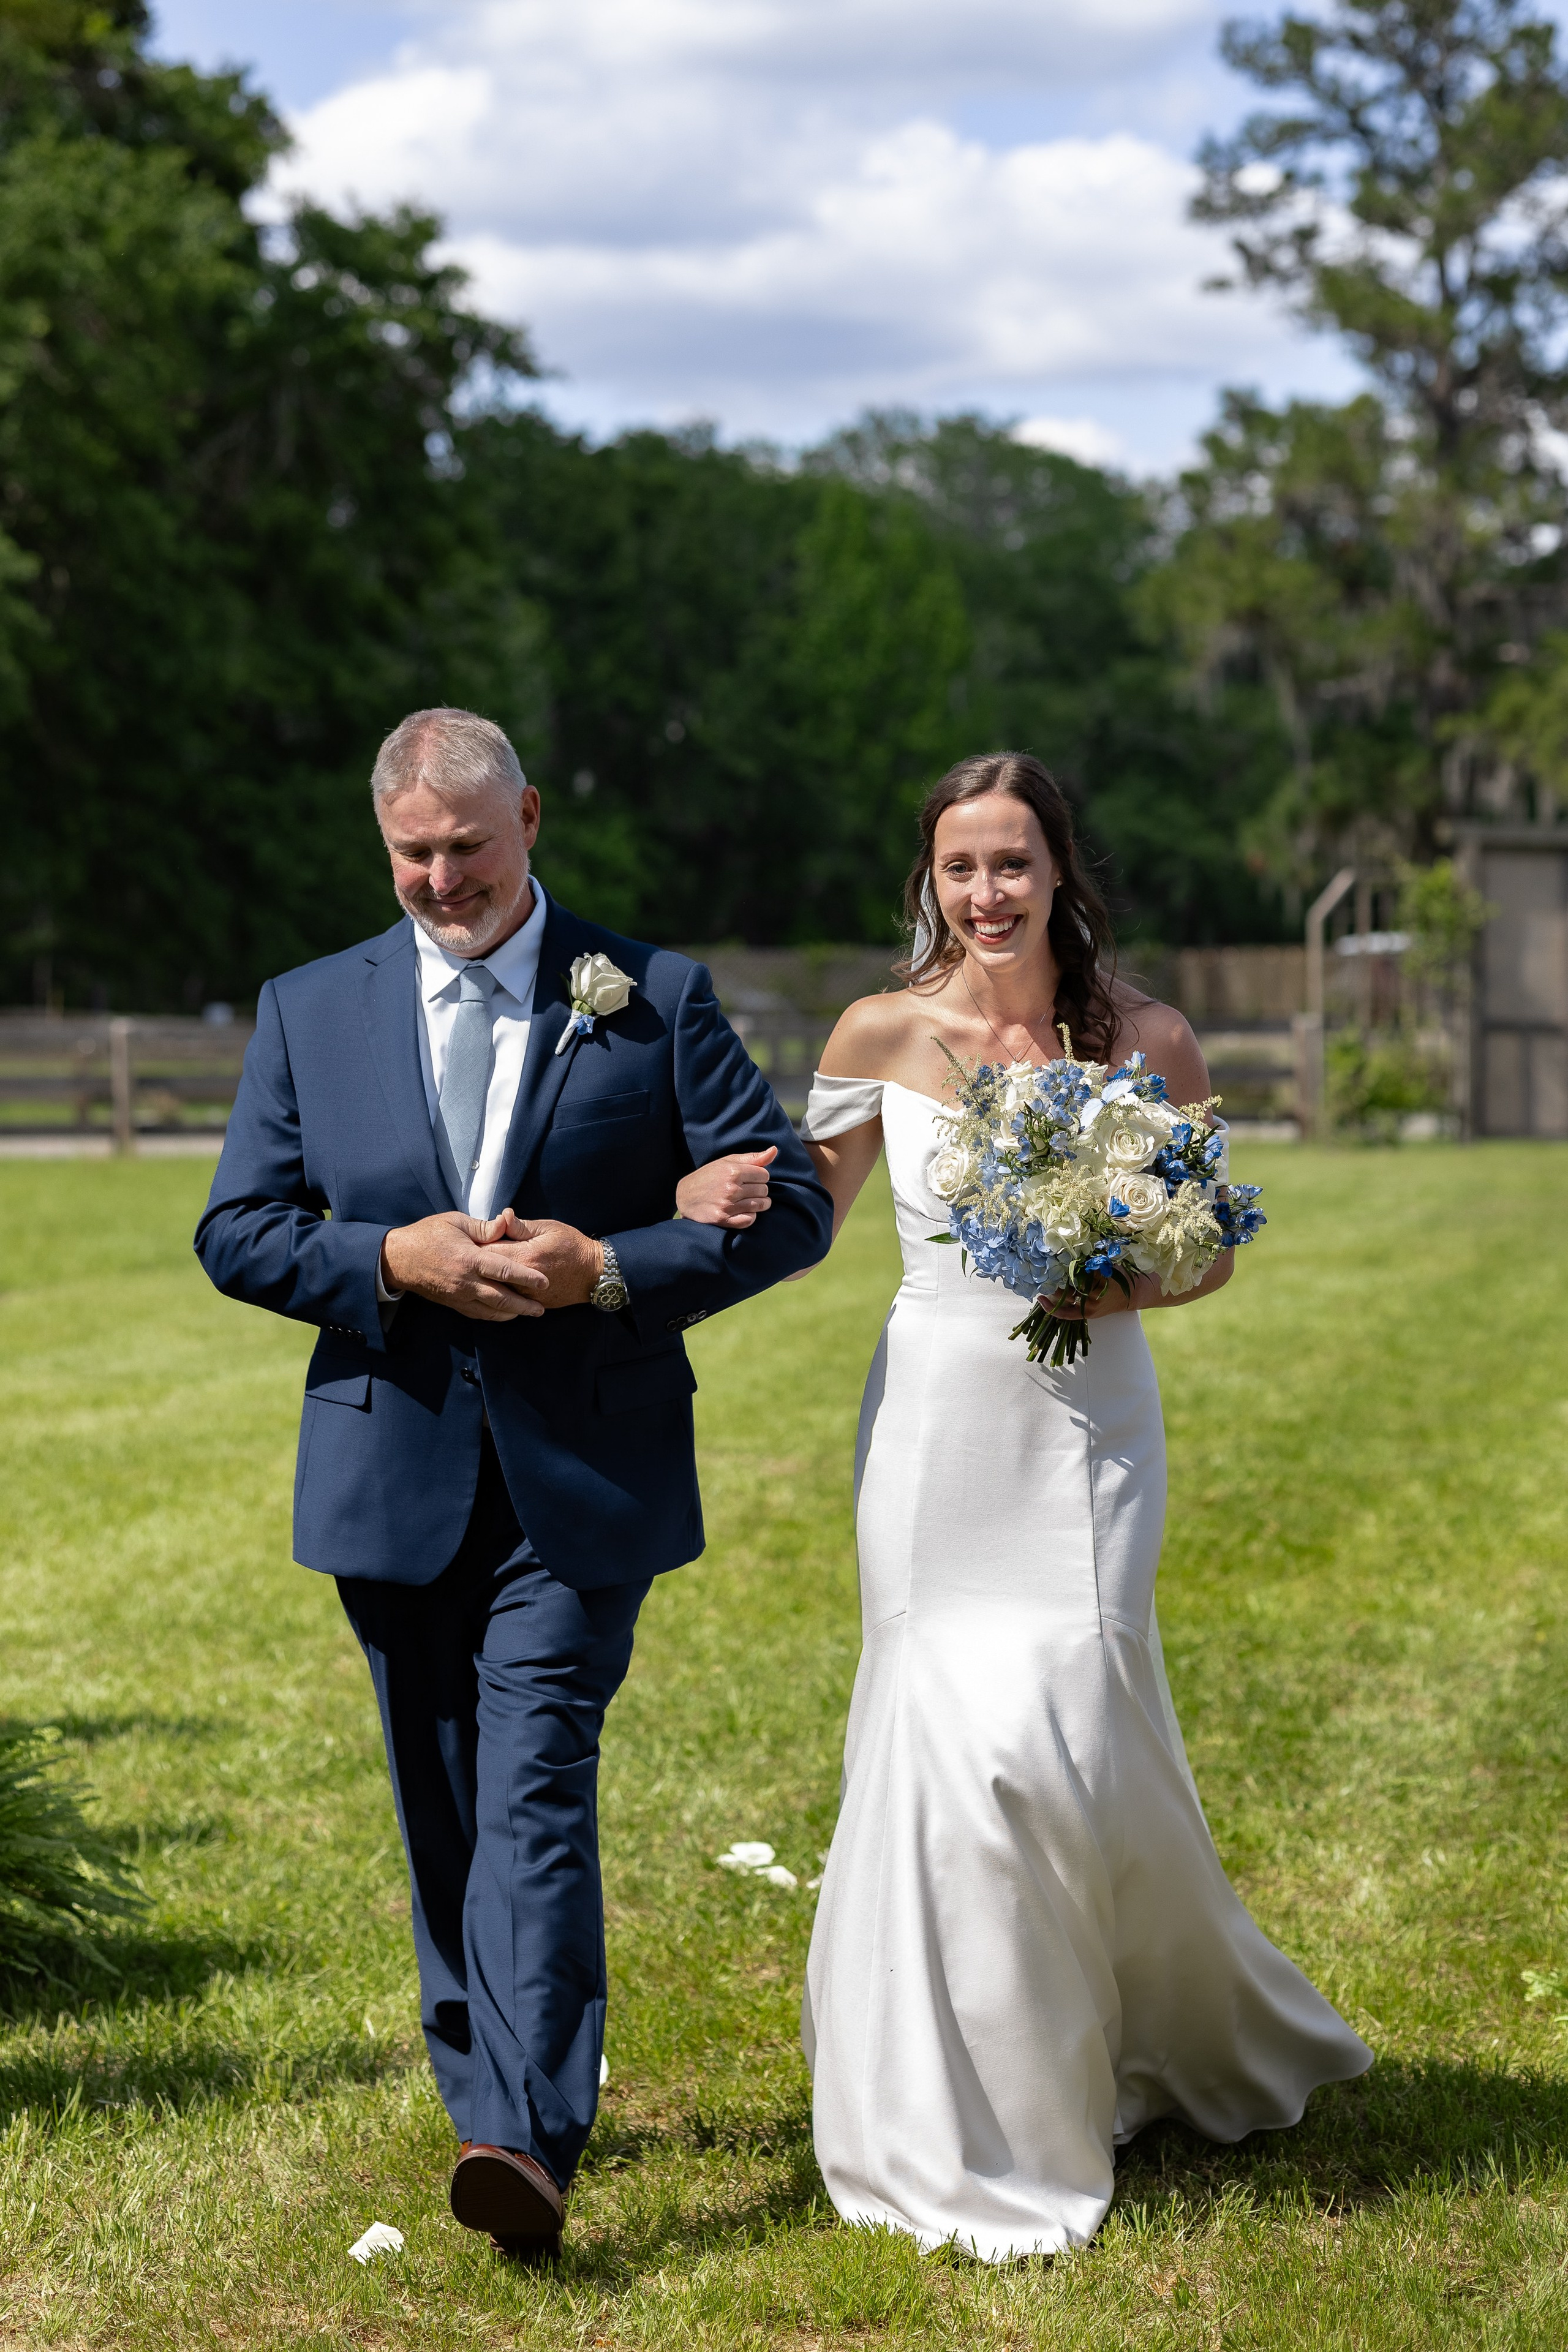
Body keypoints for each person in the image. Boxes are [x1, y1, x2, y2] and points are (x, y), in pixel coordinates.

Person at [194, 707, 831, 2263]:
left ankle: (522, 2139)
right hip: (388, 1461)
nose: (435, 878)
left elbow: (793, 1203)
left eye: (464, 846)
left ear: (529, 818)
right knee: (443, 1806)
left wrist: (609, 1268)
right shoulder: (306, 1008)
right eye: (408, 852)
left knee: (535, 1777)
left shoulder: (651, 996)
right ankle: (484, 2084)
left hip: (581, 1472)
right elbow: (238, 1230)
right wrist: (385, 1258)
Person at [747, 750, 1368, 2259]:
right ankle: (952, 2102)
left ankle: (1128, 2031)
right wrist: (667, 1219)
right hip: (936, 1427)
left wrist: (1123, 1270)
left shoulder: (1146, 1036)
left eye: (1011, 863)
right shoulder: (880, 1032)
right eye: (958, 868)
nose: (985, 894)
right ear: (929, 881)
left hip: (1087, 1427)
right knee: (946, 1733)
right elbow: (794, 1217)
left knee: (1068, 1726)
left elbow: (1208, 1248)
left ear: (1058, 872)